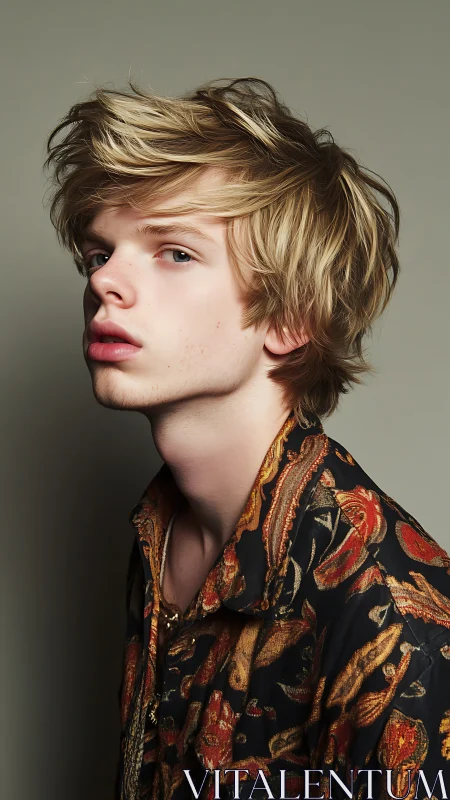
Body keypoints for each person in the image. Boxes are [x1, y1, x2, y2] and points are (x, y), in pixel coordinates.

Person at [44, 77, 450, 800]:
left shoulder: (389, 611)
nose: (107, 280)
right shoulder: (161, 531)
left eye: (174, 253)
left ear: (291, 320)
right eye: (100, 252)